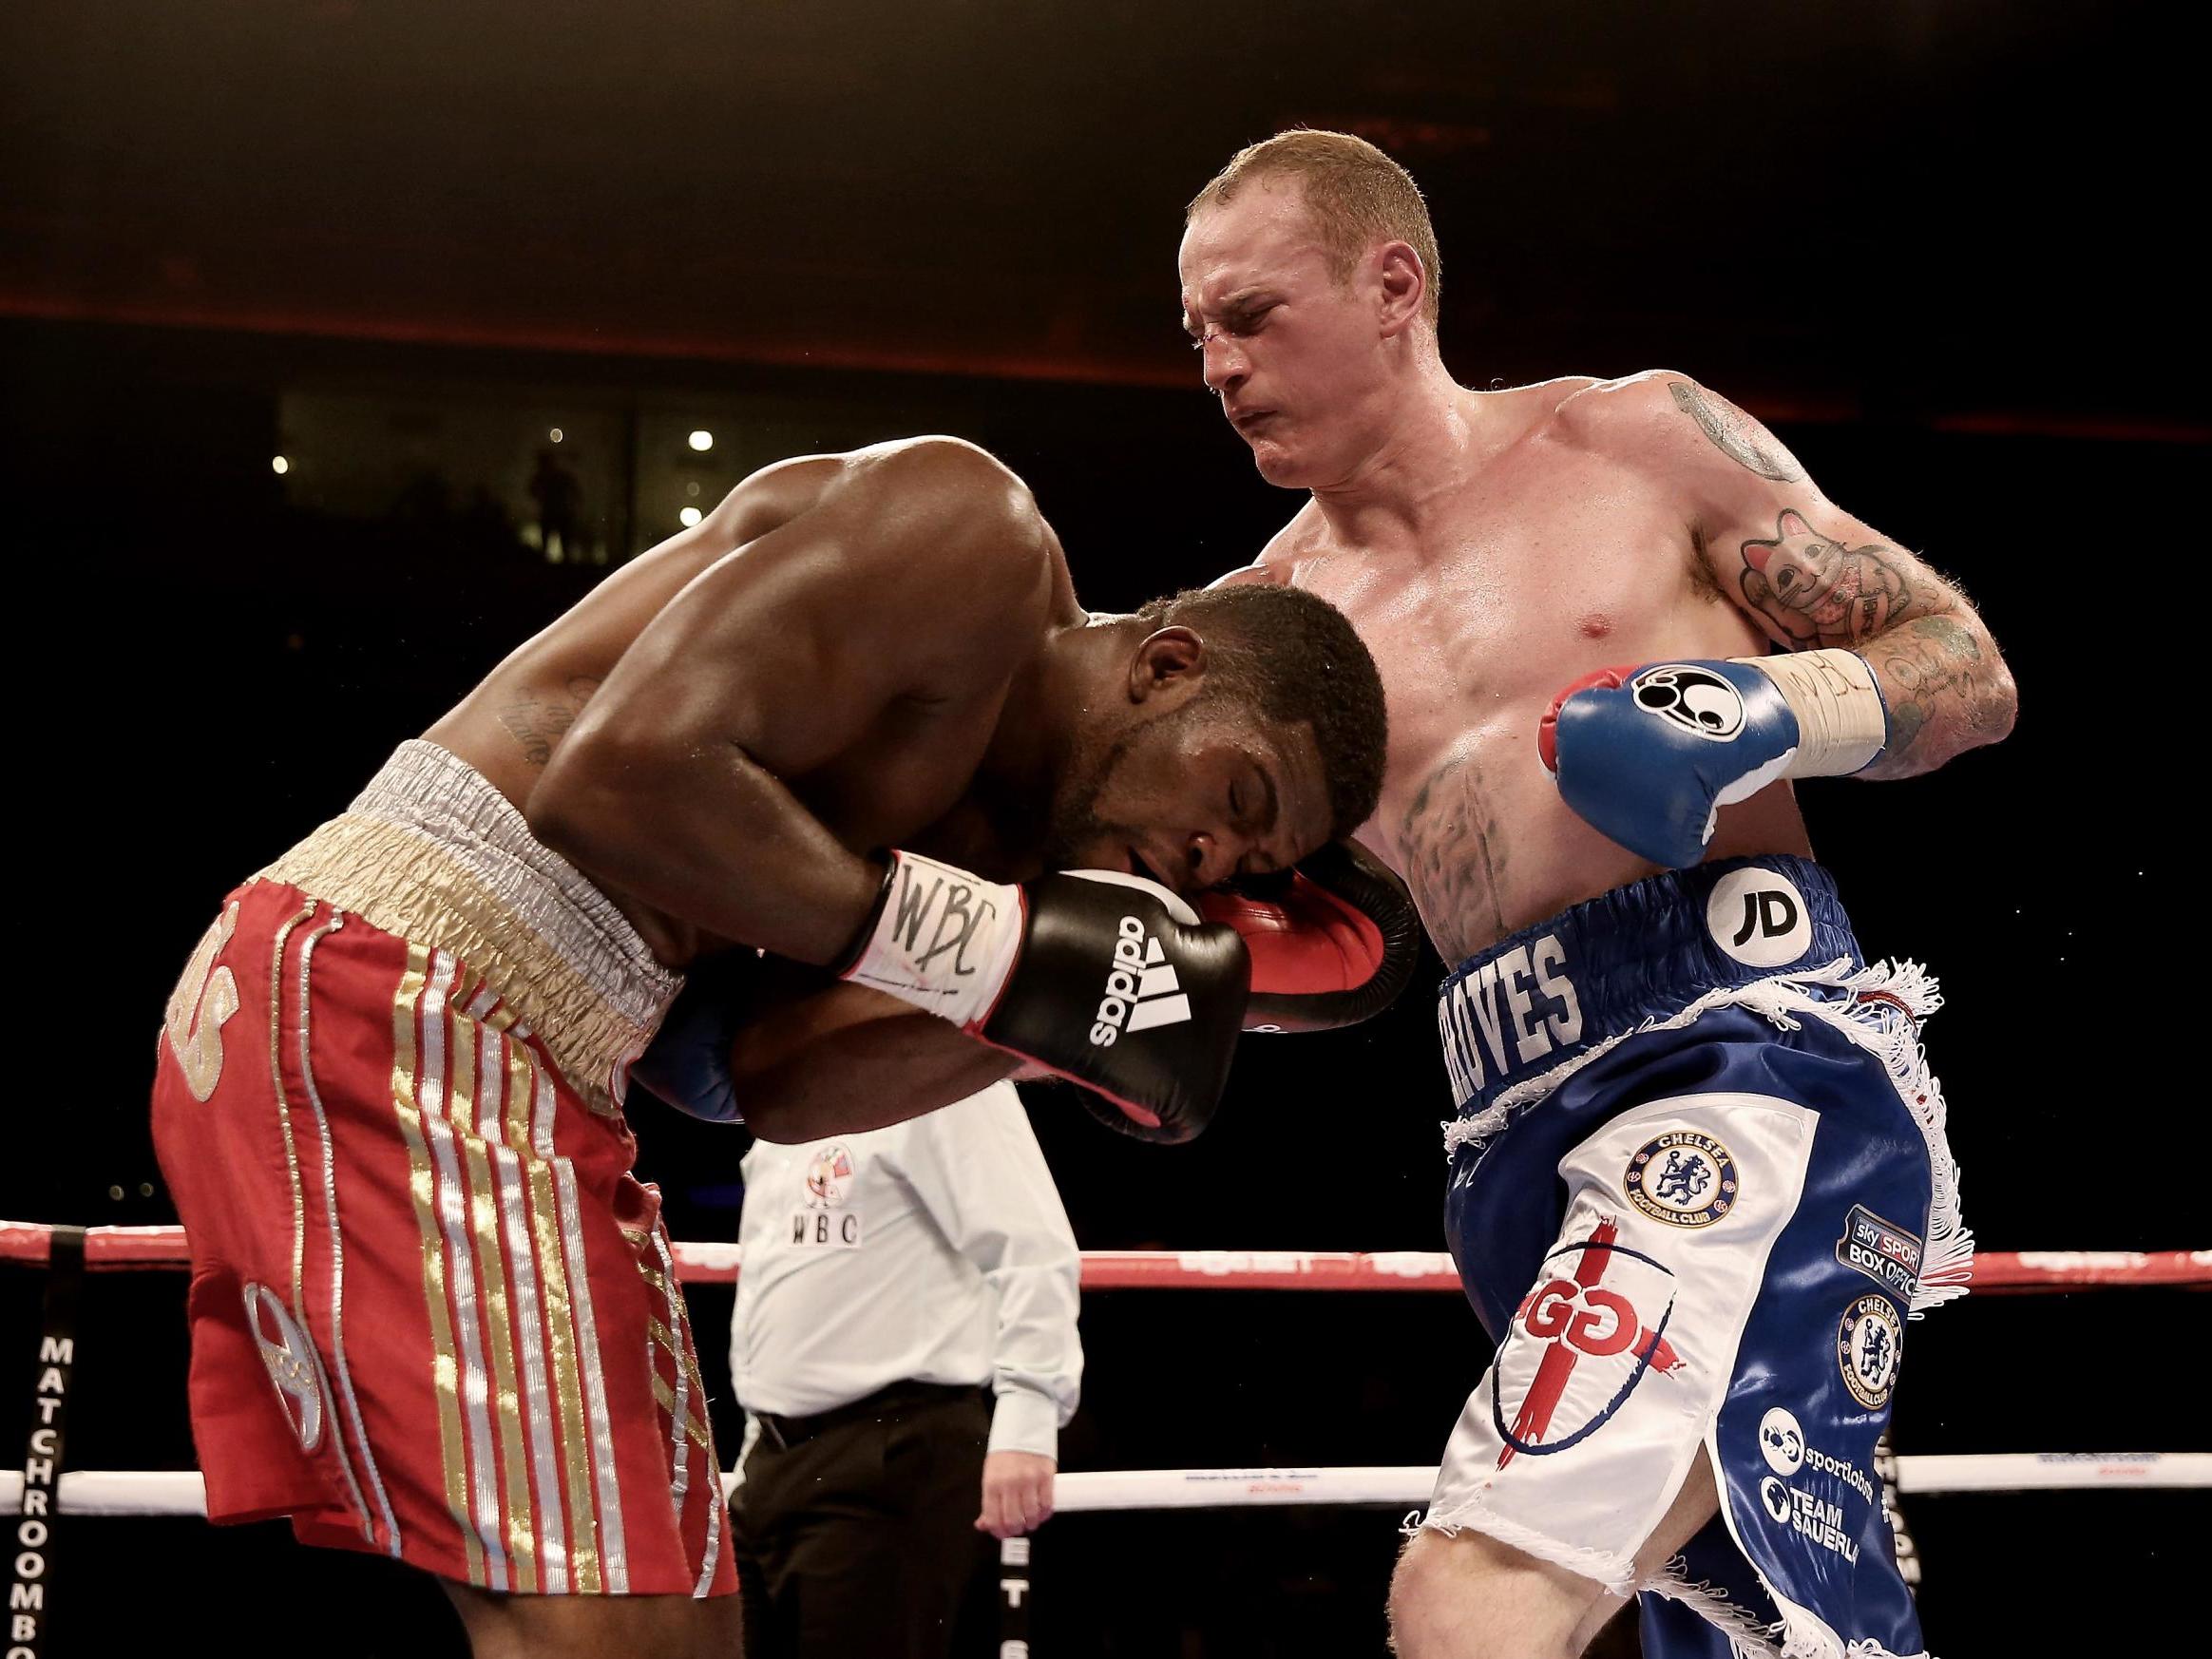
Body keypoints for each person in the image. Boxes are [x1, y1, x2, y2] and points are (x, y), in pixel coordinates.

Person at [148, 434, 1400, 1659]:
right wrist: (987, 956)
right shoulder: (973, 544)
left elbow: (753, 1078)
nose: (1213, 863)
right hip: (408, 975)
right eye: (1235, 803)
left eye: (1251, 866)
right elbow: (622, 776)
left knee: (690, 1622)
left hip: (533, 1057)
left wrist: (1047, 1018)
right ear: (1168, 666)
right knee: (606, 1630)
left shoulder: (1010, 870)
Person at [1178, 133, 2018, 1658]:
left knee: (1475, 1592)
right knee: (1750, 1633)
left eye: (1250, 315)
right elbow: (1330, 940)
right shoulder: (1269, 635)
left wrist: (1757, 713)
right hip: (1507, 1141)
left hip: (1746, 1065)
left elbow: (1964, 670)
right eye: (1198, 337)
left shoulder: (1634, 442)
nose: (1219, 366)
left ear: (1391, 285)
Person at [727, 1081, 1080, 1657]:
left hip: (894, 1452)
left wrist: (1028, 1417)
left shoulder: (945, 1077)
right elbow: (780, 1299)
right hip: (772, 1461)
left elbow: (1033, 1250)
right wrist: (751, 1449)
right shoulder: (787, 1099)